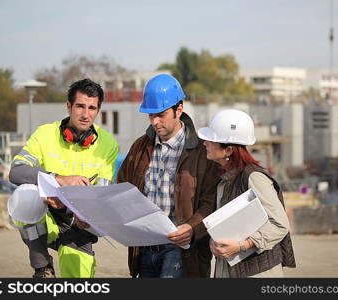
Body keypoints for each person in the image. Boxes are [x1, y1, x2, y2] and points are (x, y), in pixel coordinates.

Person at [9, 78, 119, 278]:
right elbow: (16, 171)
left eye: (92, 108)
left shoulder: (109, 145)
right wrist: (57, 179)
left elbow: (102, 194)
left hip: (79, 224)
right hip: (45, 217)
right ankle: (43, 268)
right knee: (24, 195)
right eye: (80, 106)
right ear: (69, 106)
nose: (86, 114)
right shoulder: (45, 134)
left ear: (98, 110)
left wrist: (79, 211)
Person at [117, 74, 220, 278]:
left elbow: (212, 202)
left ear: (179, 110)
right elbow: (123, 189)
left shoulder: (202, 151)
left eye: (161, 114)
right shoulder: (140, 147)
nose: (155, 122)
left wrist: (192, 228)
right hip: (144, 248)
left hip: (180, 250)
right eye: (150, 115)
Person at [197, 109, 296, 278]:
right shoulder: (224, 179)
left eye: (211, 140)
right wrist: (214, 243)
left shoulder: (254, 177)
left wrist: (244, 245)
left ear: (228, 150)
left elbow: (280, 224)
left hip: (257, 273)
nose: (205, 143)